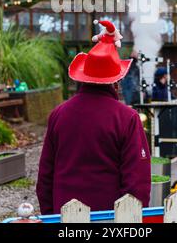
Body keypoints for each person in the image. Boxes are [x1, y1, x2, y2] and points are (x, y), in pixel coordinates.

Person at [36, 19, 151, 214]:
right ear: (116, 81)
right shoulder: (127, 118)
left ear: (83, 76)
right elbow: (137, 183)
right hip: (111, 219)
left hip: (64, 217)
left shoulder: (59, 114)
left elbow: (45, 176)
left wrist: (50, 216)